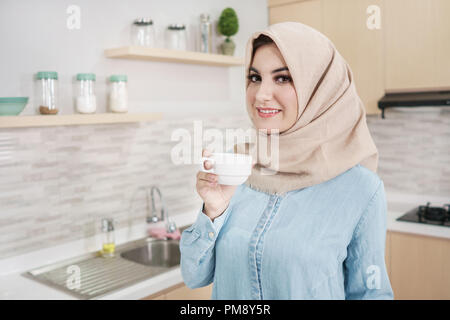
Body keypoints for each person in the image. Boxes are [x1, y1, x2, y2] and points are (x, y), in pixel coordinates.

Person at [180, 22, 394, 300]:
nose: (261, 94)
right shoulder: (238, 169)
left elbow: (371, 294)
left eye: (283, 78)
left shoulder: (361, 190)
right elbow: (194, 276)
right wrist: (213, 212)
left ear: (320, 89)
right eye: (255, 77)